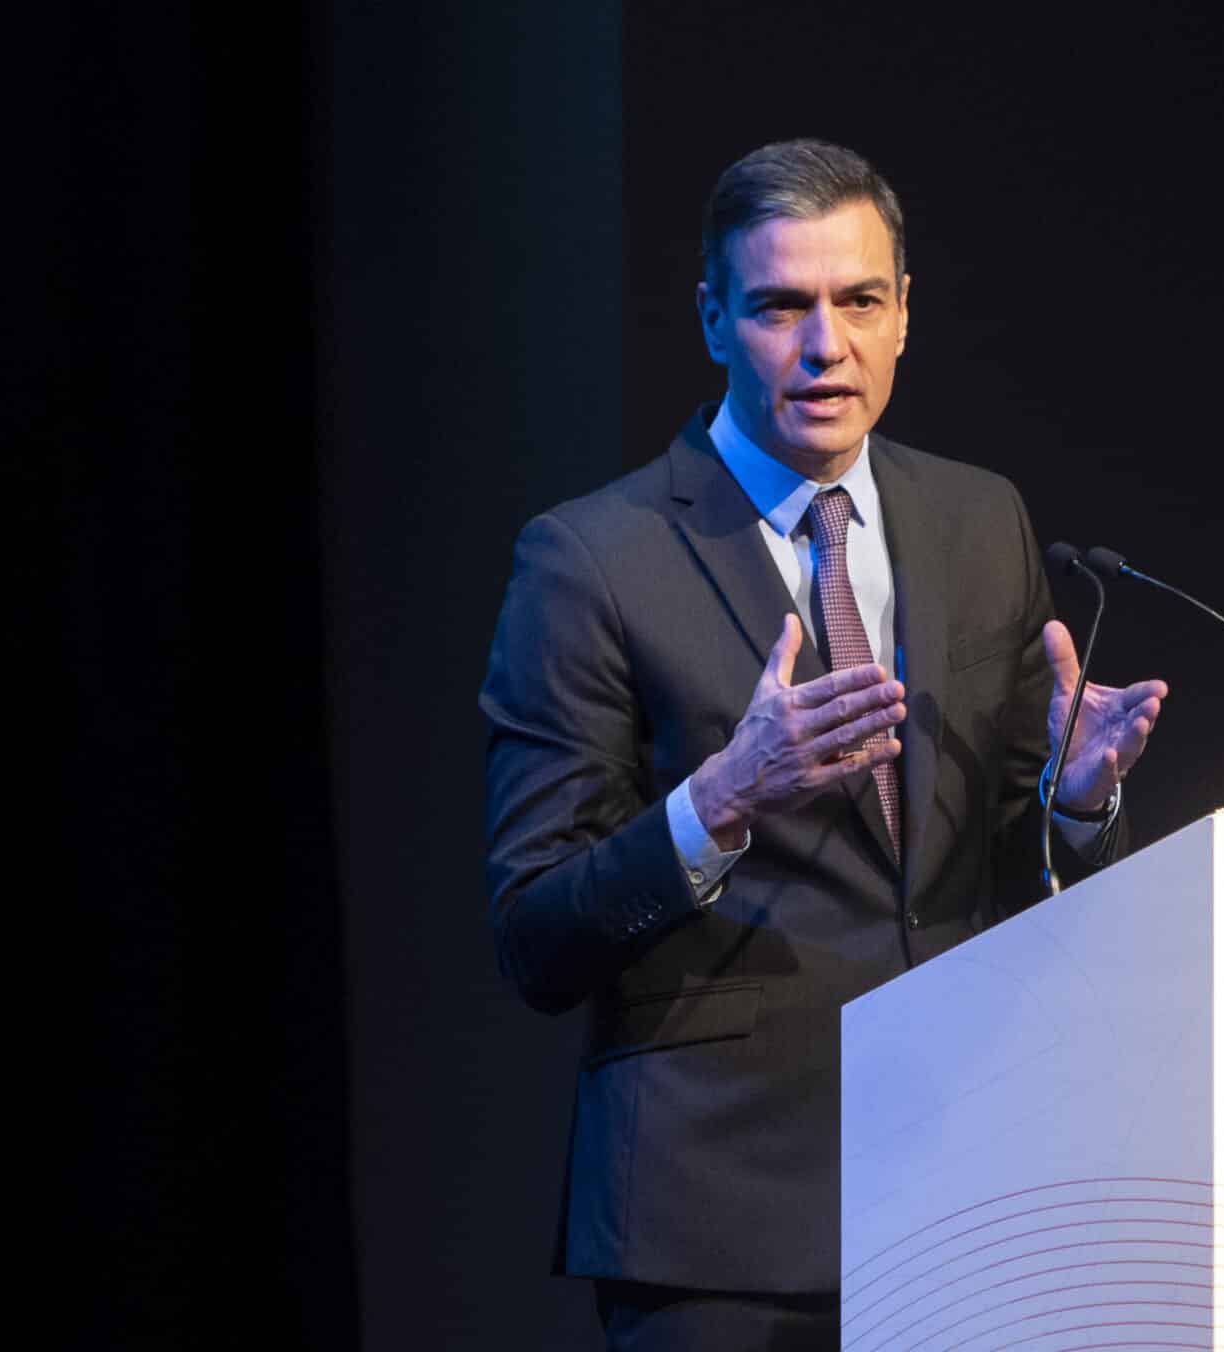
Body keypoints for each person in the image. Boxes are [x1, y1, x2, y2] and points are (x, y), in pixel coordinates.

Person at [480, 138, 1168, 1350]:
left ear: (904, 313)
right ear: (711, 317)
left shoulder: (976, 516)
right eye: (779, 306)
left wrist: (1071, 805)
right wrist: (719, 798)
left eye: (857, 301)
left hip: (972, 1187)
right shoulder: (590, 558)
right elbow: (537, 930)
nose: (824, 346)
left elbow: (1010, 869)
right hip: (722, 1219)